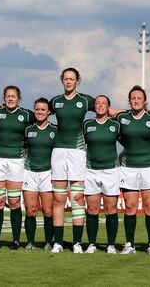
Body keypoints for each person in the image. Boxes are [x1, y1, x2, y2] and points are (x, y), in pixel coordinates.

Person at [50, 68, 95, 253]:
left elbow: (104, 108)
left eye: (72, 79)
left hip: (77, 151)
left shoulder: (85, 100)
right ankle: (58, 243)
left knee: (77, 198)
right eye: (66, 79)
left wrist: (130, 111)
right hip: (58, 151)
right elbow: (39, 113)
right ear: (62, 81)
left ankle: (77, 242)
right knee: (58, 198)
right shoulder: (55, 101)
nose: (68, 81)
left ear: (78, 81)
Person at [0, 85, 34, 250]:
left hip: (17, 161)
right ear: (4, 98)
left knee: (14, 202)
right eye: (7, 96)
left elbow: (40, 122)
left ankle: (15, 240)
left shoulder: (27, 114)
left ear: (19, 98)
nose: (10, 99)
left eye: (13, 96)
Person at [117, 86, 150, 255]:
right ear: (129, 101)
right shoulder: (122, 118)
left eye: (139, 98)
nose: (136, 101)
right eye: (133, 98)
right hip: (128, 167)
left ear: (144, 101)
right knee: (130, 207)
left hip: (149, 167)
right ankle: (129, 244)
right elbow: (117, 134)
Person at [83, 95, 121, 254]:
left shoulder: (116, 125)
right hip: (91, 170)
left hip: (111, 170)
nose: (100, 105)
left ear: (108, 107)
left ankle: (111, 245)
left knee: (110, 209)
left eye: (103, 103)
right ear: (94, 107)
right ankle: (92, 244)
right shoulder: (87, 124)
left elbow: (128, 142)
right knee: (92, 209)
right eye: (97, 103)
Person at [22, 98, 57, 251]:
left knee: (48, 211)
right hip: (30, 172)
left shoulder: (55, 130)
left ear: (48, 112)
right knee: (30, 210)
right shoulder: (27, 129)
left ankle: (48, 242)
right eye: (37, 109)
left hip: (48, 173)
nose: (40, 112)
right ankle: (30, 242)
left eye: (43, 109)